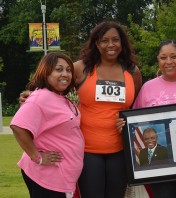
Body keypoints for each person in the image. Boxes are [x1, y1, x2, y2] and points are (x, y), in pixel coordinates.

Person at [20, 20, 143, 198]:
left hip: (120, 150)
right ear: (96, 43)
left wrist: (128, 121)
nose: (111, 45)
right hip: (87, 151)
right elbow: (53, 87)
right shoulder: (80, 68)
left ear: (122, 43)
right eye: (104, 40)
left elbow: (134, 109)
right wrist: (30, 95)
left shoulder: (133, 72)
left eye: (115, 40)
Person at [121, 40, 176, 198]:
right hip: (159, 166)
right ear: (158, 60)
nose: (168, 62)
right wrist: (123, 124)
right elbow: (135, 124)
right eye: (163, 57)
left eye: (173, 56)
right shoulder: (148, 88)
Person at [10, 52, 84, 198]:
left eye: (68, 70)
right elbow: (18, 126)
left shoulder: (59, 97)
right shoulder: (40, 98)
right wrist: (37, 157)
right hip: (48, 177)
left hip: (60, 178)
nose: (65, 74)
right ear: (46, 72)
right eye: (59, 69)